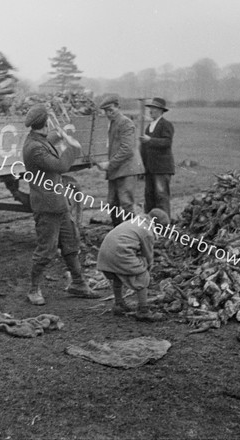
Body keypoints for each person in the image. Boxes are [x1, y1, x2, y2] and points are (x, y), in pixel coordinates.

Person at [22, 104, 101, 305]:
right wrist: (72, 147)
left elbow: (47, 142)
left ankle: (78, 284)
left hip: (59, 203)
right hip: (47, 206)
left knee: (70, 242)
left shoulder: (37, 140)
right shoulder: (34, 148)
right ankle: (33, 290)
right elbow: (61, 166)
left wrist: (60, 135)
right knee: (46, 250)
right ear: (45, 123)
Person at [97, 208, 170, 322]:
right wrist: (148, 267)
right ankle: (143, 310)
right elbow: (147, 254)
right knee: (142, 274)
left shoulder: (135, 221)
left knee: (117, 274)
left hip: (105, 255)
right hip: (118, 254)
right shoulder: (147, 232)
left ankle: (119, 303)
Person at [96, 95, 144, 227]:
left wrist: (110, 164)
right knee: (112, 203)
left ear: (118, 107)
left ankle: (132, 234)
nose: (108, 113)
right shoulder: (112, 124)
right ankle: (117, 231)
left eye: (111, 110)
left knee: (126, 203)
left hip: (127, 169)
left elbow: (127, 149)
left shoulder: (125, 123)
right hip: (117, 169)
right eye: (106, 111)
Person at [139, 97, 175, 218]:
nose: (150, 111)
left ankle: (165, 227)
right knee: (149, 197)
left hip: (162, 168)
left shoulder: (166, 125)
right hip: (149, 168)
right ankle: (150, 225)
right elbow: (144, 148)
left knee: (161, 196)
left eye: (153, 108)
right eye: (150, 108)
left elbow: (167, 142)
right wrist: (142, 167)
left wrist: (150, 140)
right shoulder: (149, 127)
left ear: (160, 110)